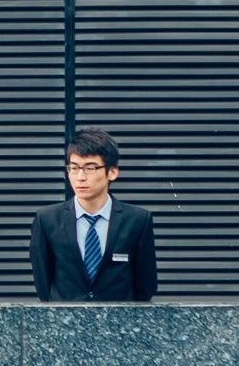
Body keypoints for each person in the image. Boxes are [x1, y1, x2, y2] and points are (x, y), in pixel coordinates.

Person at [29, 126, 158, 302]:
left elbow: (146, 284)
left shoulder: (137, 220)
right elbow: (43, 282)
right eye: (74, 168)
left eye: (90, 168)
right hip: (64, 323)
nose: (80, 177)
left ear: (112, 172)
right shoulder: (47, 219)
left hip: (120, 324)